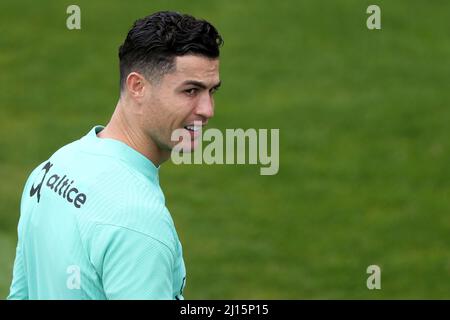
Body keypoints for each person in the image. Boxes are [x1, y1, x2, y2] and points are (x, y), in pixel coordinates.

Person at [7, 11, 223, 300]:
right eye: (191, 90)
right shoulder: (140, 224)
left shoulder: (52, 168)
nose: (207, 110)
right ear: (138, 87)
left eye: (211, 91)